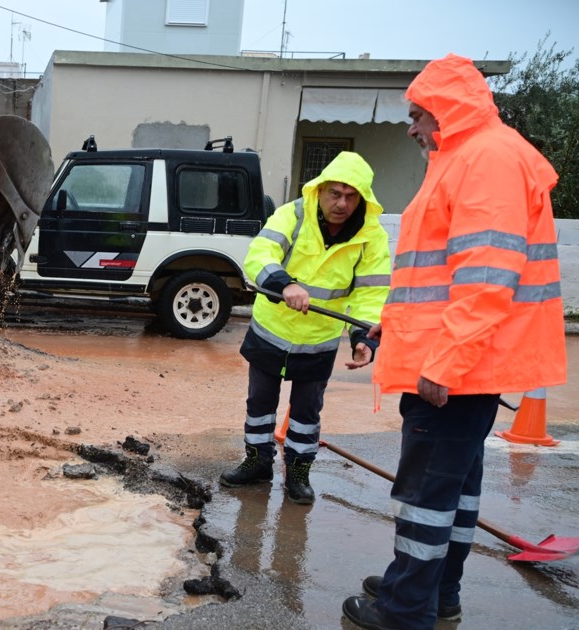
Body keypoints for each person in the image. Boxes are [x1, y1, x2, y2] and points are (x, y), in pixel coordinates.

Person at [341, 54, 567, 630]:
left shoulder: (484, 159)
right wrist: (394, 324)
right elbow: (441, 276)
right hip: (469, 363)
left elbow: (486, 279)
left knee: (425, 493)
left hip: (455, 369)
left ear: (446, 111)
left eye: (417, 115)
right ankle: (435, 592)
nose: (411, 128)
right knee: (455, 491)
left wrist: (443, 362)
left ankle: (405, 608)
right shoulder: (473, 156)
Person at [220, 151, 391, 504]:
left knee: (306, 414)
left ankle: (298, 474)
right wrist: (285, 283)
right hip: (271, 331)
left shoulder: (371, 236)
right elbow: (259, 254)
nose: (341, 203)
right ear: (320, 189)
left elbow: (371, 293)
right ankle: (257, 463)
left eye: (351, 196)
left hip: (318, 341)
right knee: (259, 404)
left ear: (362, 198)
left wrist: (363, 339)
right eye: (335, 193)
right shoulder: (293, 214)